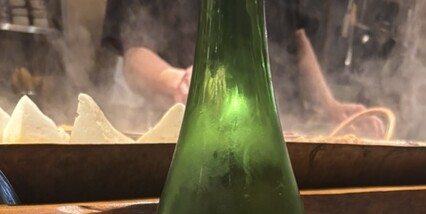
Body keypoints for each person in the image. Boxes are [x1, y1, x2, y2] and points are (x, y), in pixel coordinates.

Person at [102, 0, 384, 137]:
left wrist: (330, 105)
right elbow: (134, 56)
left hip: (282, 138)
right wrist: (182, 81)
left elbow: (297, 39)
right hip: (190, 137)